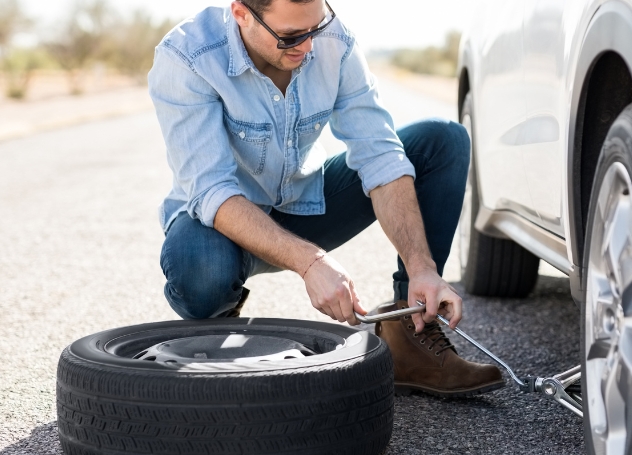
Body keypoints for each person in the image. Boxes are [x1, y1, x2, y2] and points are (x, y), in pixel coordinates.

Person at [148, 0, 504, 397]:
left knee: (443, 140)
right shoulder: (188, 56)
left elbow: (379, 155)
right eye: (291, 37)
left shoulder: (334, 41)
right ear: (242, 14)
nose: (309, 47)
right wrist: (311, 263)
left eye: (315, 28)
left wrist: (421, 266)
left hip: (307, 204)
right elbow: (212, 190)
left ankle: (412, 332)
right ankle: (217, 322)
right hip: (222, 228)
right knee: (202, 271)